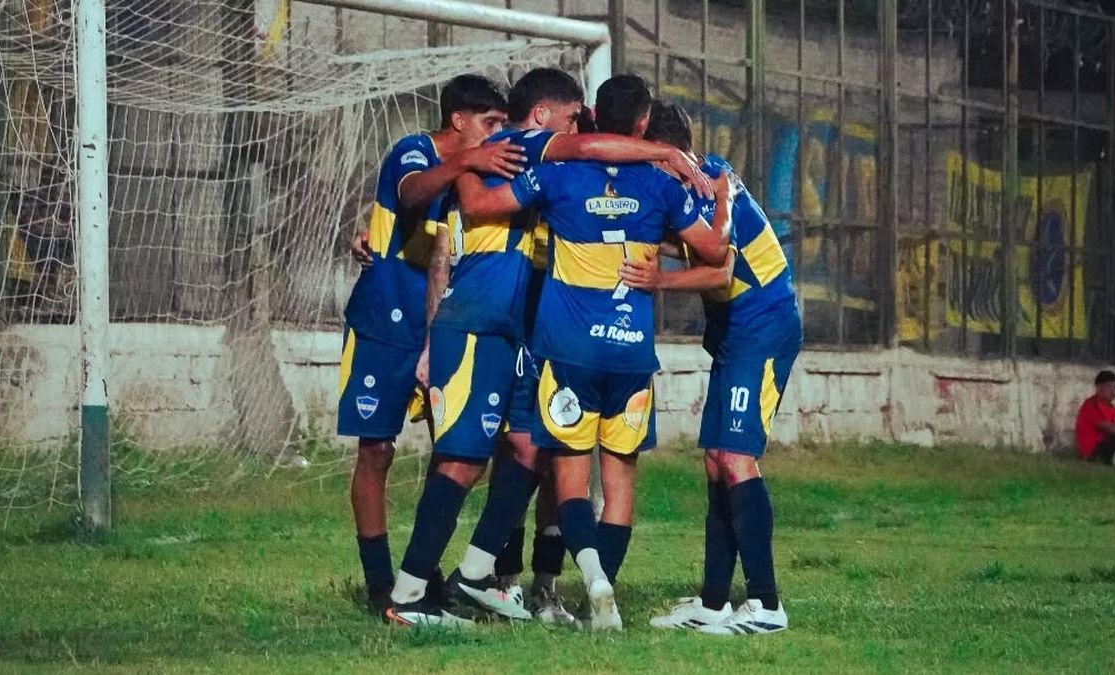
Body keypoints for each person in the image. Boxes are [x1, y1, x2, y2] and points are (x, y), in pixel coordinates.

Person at [385, 68, 712, 627]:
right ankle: (409, 595)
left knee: (530, 451)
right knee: (462, 460)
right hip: (477, 319)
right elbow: (581, 150)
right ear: (542, 117)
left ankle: (474, 576)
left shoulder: (515, 160)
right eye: (571, 116)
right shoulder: (516, 145)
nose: (578, 126)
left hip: (520, 328)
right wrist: (667, 154)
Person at [340, 74, 521, 613]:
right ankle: (380, 583)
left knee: (457, 452)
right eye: (489, 122)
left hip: (444, 325)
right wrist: (468, 161)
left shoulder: (479, 176)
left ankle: (426, 573)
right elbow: (410, 193)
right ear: (458, 120)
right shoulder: (415, 151)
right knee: (376, 450)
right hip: (384, 321)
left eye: (502, 123)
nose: (496, 133)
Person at [623, 102, 800, 635]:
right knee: (715, 461)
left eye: (650, 160)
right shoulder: (704, 182)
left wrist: (658, 279)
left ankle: (766, 605)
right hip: (736, 334)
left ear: (670, 157)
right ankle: (714, 602)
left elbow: (721, 273)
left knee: (736, 458)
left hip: (763, 327)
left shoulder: (710, 189)